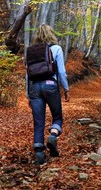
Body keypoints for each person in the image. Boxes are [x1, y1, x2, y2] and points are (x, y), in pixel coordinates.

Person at [26, 24, 70, 165]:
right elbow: (61, 72)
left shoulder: (30, 52)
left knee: (38, 121)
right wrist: (66, 89)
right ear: (51, 34)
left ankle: (39, 153)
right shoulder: (56, 49)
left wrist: (28, 94)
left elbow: (28, 75)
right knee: (57, 117)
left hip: (34, 88)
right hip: (51, 85)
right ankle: (52, 136)